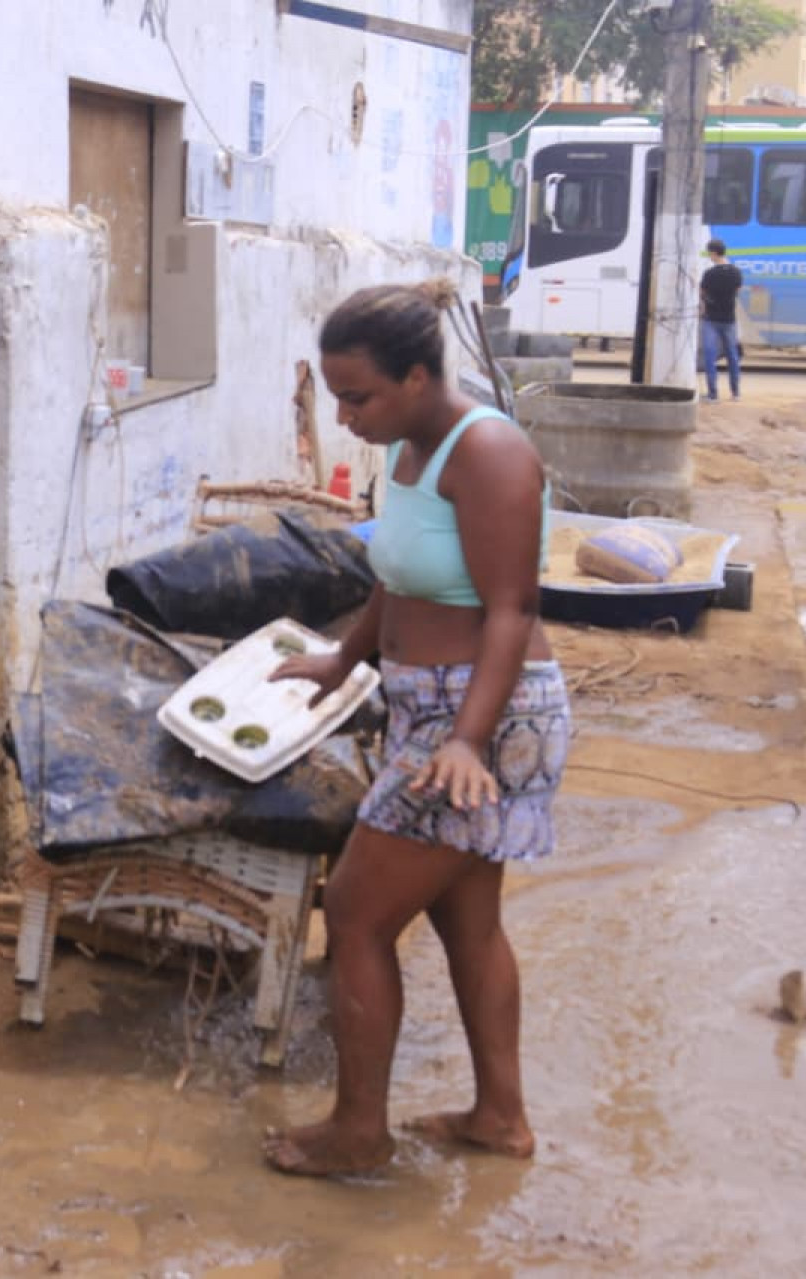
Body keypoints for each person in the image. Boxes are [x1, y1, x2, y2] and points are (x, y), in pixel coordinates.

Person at [261, 280, 571, 1177]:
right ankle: (499, 1116)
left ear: (418, 376)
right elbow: (397, 577)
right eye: (337, 396)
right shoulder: (408, 446)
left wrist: (465, 739)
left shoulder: (491, 454)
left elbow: (511, 609)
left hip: (483, 715)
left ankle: (359, 1131)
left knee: (356, 910)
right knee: (466, 918)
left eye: (358, 396)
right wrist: (344, 659)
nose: (344, 416)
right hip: (431, 706)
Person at [700, 238, 743, 402]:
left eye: (709, 253)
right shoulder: (736, 272)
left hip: (711, 319)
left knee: (710, 357)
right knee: (732, 356)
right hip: (729, 319)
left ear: (713, 253)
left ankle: (713, 394)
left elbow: (702, 293)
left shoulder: (709, 274)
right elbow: (737, 291)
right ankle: (735, 392)